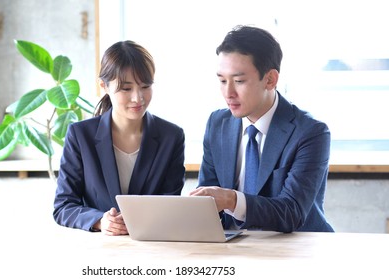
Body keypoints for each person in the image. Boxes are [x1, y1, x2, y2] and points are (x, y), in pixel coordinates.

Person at [190, 25, 334, 233]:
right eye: (222, 80)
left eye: (239, 81)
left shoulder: (310, 132)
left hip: (297, 249)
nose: (228, 93)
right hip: (234, 248)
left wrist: (232, 200)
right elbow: (208, 202)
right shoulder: (217, 123)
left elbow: (291, 212)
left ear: (270, 79)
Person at [53, 41, 185, 235]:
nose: (137, 97)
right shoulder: (81, 136)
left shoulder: (171, 137)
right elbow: (64, 206)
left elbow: (170, 204)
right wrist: (99, 220)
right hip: (100, 250)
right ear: (103, 86)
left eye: (145, 86)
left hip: (154, 246)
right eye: (126, 88)